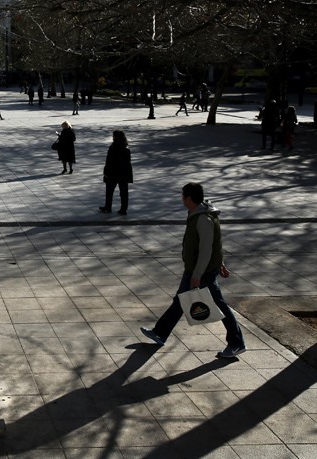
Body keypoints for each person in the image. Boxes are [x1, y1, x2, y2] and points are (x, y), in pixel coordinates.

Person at [141, 182, 246, 359]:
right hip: (199, 268)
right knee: (181, 300)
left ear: (189, 198)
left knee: (218, 304)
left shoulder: (203, 218)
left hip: (201, 271)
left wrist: (198, 274)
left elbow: (207, 248)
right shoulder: (197, 214)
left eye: (183, 196)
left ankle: (236, 342)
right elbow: (215, 245)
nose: (181, 200)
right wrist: (220, 263)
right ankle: (160, 332)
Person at [99, 130, 132, 215]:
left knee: (109, 192)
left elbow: (109, 161)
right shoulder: (126, 148)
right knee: (124, 193)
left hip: (112, 173)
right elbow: (128, 163)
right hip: (123, 174)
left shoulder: (113, 147)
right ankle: (123, 209)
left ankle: (108, 207)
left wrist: (106, 172)